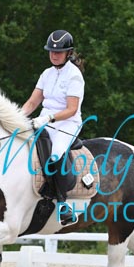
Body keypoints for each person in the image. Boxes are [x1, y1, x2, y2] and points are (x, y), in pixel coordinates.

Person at [21, 29, 85, 226]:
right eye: (51, 51)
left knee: (55, 154)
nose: (54, 55)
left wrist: (49, 118)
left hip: (67, 123)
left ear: (68, 53)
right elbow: (32, 102)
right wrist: (16, 119)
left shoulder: (74, 76)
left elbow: (72, 109)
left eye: (58, 52)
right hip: (44, 119)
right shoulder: (46, 74)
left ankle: (63, 204)